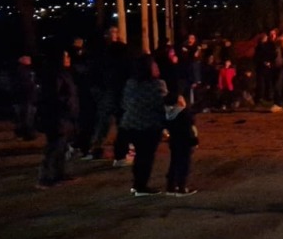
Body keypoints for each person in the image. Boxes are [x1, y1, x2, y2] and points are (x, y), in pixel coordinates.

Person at [118, 55, 167, 196]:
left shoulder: (131, 83)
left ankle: (138, 184)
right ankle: (141, 186)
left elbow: (124, 103)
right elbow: (162, 104)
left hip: (131, 124)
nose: (157, 68)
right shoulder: (157, 85)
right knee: (146, 156)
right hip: (149, 125)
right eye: (154, 65)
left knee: (140, 155)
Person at [85, 28, 131, 160]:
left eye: (116, 32)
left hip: (116, 90)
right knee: (107, 120)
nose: (114, 35)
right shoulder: (103, 53)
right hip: (110, 90)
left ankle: (118, 147)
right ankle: (98, 146)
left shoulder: (118, 52)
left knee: (117, 120)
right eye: (111, 32)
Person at [36, 51, 79, 189]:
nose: (68, 58)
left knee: (62, 147)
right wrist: (67, 104)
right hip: (57, 117)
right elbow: (53, 96)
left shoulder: (63, 73)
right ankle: (46, 177)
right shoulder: (55, 75)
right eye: (65, 56)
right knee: (55, 146)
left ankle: (59, 174)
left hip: (65, 117)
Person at [162, 93, 199, 196]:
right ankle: (181, 187)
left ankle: (171, 186)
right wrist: (194, 141)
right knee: (184, 164)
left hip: (174, 141)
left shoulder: (168, 114)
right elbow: (189, 129)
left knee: (174, 163)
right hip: (185, 142)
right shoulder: (183, 113)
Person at [11, 56, 39, 141]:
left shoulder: (26, 73)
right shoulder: (24, 73)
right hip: (26, 98)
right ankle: (27, 134)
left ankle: (25, 134)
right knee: (26, 118)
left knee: (26, 118)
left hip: (27, 98)